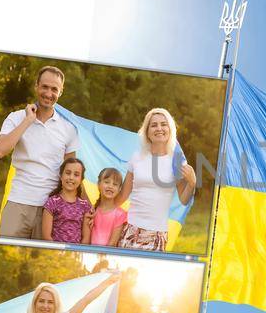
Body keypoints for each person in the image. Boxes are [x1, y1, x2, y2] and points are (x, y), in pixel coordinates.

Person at [0, 66, 81, 239]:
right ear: (36, 86)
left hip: (51, 209)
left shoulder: (69, 128)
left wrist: (81, 205)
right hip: (18, 203)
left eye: (54, 89)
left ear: (61, 92)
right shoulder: (16, 117)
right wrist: (28, 121)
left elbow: (72, 172)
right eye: (45, 87)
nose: (49, 93)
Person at [110, 108, 196, 252]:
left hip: (157, 235)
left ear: (170, 129)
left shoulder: (177, 161)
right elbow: (123, 196)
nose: (159, 128)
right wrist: (101, 209)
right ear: (147, 131)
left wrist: (192, 183)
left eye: (163, 124)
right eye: (154, 125)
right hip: (131, 230)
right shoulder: (137, 157)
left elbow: (184, 200)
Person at [42, 157, 94, 245]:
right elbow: (46, 236)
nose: (71, 177)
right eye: (68, 173)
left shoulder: (85, 206)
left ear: (81, 180)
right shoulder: (52, 202)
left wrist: (77, 252)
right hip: (55, 253)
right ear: (61, 176)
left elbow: (86, 238)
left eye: (76, 175)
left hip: (76, 254)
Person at [89, 166, 128, 247]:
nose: (110, 186)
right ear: (98, 184)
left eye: (115, 184)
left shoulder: (120, 214)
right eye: (107, 182)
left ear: (119, 189)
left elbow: (113, 243)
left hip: (106, 256)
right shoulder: (92, 211)